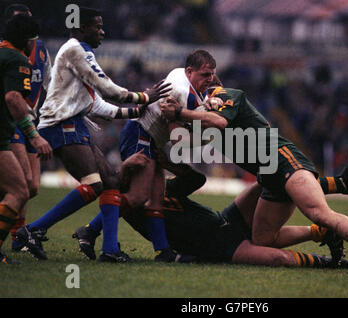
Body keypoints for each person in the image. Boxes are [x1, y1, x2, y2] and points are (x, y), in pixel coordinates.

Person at [160, 75, 348, 273]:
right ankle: (325, 227)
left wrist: (180, 112)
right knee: (263, 239)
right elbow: (184, 140)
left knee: (318, 212)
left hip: (283, 160)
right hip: (270, 176)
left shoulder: (227, 95)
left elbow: (219, 121)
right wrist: (168, 116)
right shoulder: (204, 116)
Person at [15, 7, 171, 263]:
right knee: (95, 183)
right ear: (80, 29)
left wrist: (135, 110)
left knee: (111, 182)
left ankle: (109, 249)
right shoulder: (76, 49)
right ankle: (32, 230)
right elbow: (107, 87)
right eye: (97, 27)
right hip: (60, 125)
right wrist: (144, 97)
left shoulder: (78, 57)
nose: (102, 31)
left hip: (73, 125)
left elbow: (98, 104)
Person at [74, 148, 348, 268]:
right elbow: (110, 208)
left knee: (271, 179)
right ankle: (326, 256)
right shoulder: (129, 205)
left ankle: (338, 185)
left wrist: (168, 162)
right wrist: (89, 231)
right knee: (279, 260)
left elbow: (197, 178)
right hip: (219, 248)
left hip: (226, 218)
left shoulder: (163, 190)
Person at [107, 49, 216, 261]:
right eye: (205, 75)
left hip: (150, 138)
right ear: (190, 71)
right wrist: (209, 137)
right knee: (139, 196)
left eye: (212, 74)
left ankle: (163, 251)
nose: (210, 80)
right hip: (140, 134)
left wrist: (209, 100)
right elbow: (178, 139)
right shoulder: (180, 92)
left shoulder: (182, 75)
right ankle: (91, 230)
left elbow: (201, 94)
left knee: (157, 198)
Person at [0, 14, 52, 264]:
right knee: (20, 190)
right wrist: (34, 136)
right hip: (2, 137)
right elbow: (13, 98)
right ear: (28, 41)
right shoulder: (18, 60)